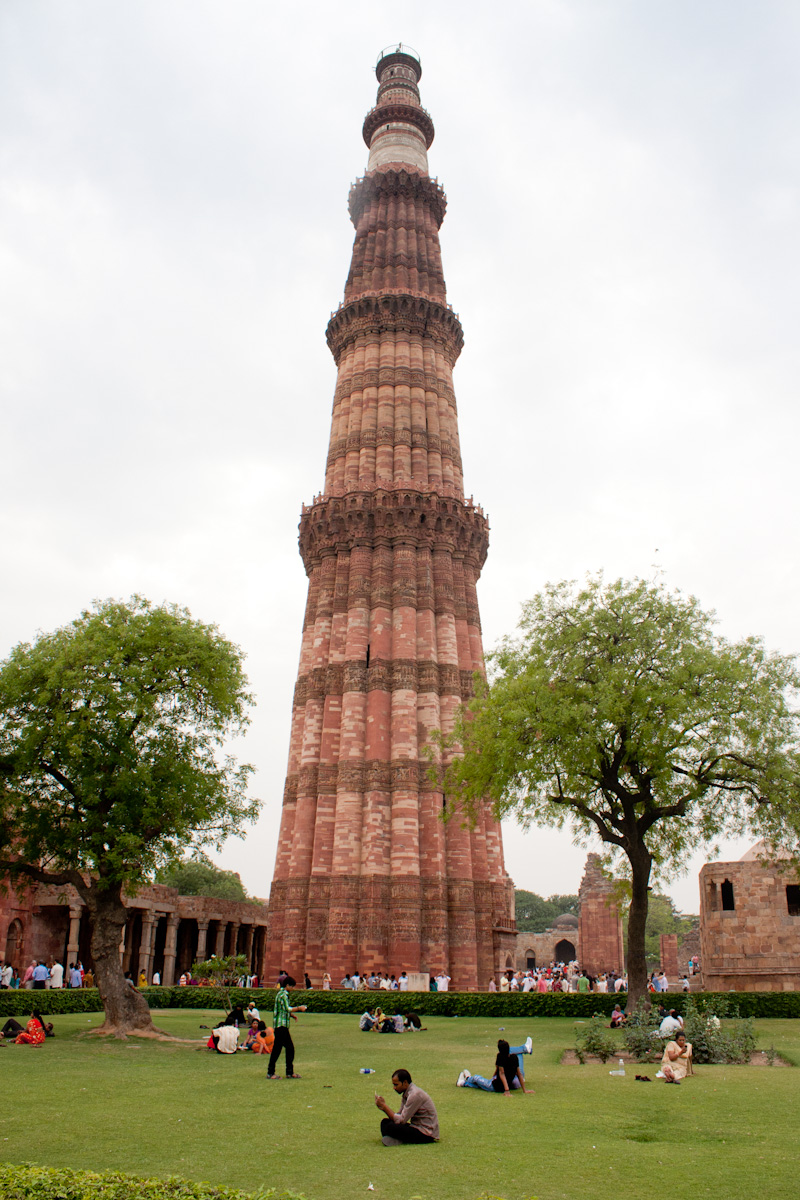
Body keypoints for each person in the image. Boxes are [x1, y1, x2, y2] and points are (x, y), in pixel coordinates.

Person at [375, 1068, 439, 1145]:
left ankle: (399, 1139)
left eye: (396, 1085)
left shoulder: (415, 1095)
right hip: (415, 1127)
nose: (394, 1088)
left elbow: (401, 1120)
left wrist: (384, 1107)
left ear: (405, 1082)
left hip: (426, 1133)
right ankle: (398, 1139)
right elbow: (399, 1115)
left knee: (390, 1127)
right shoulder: (407, 1093)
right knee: (385, 1122)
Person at [457, 1038, 533, 1096]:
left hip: (495, 1086)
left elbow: (502, 1073)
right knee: (480, 1085)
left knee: (477, 1078)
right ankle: (463, 1082)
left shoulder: (500, 1057)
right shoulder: (514, 1057)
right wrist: (524, 1090)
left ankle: (466, 1079)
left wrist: (506, 1090)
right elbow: (519, 1074)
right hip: (505, 1084)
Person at [267, 976, 307, 1080]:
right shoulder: (283, 995)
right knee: (286, 1049)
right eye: (292, 986)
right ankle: (276, 1072)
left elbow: (282, 1010)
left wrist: (291, 1015)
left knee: (282, 1049)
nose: (293, 989)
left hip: (280, 1025)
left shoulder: (281, 994)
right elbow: (287, 1008)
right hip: (281, 1026)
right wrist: (299, 1008)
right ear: (287, 985)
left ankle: (283, 1072)